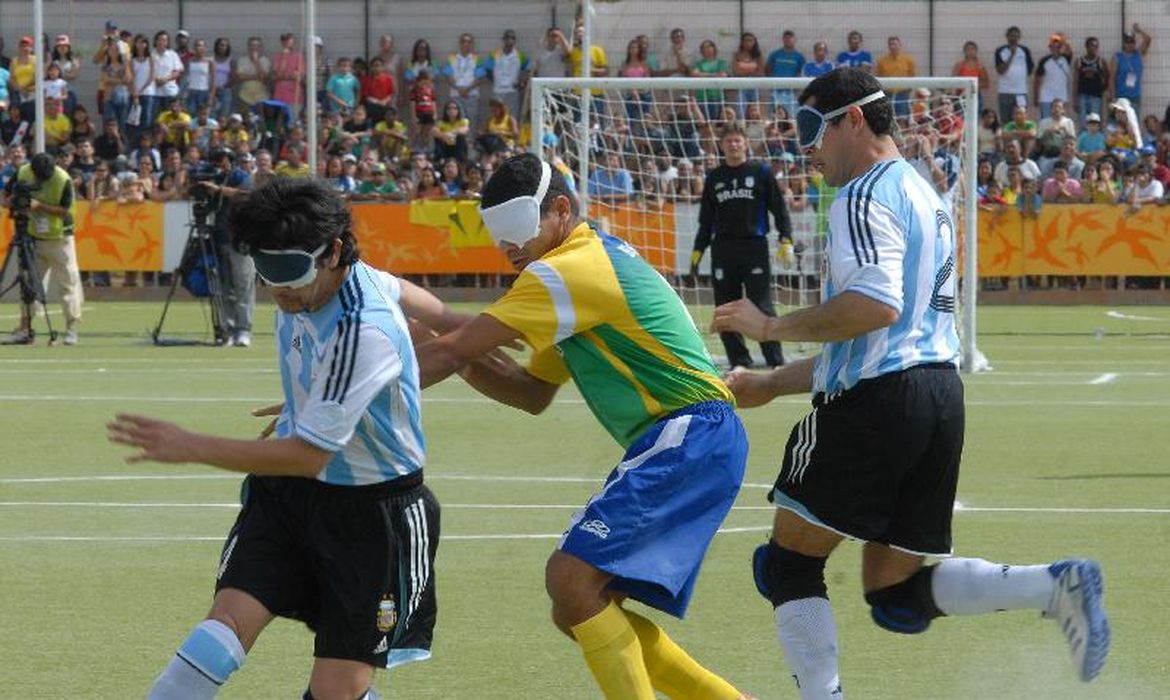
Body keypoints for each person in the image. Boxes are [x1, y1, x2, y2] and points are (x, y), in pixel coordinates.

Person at [710, 67, 1110, 699]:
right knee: (893, 591)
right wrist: (773, 380)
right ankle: (1052, 585)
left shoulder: (862, 196)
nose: (803, 145)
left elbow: (874, 308)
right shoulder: (926, 196)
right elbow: (884, 340)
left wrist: (769, 324)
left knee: (787, 563)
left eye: (812, 128)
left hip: (877, 404)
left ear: (854, 121)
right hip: (939, 400)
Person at [413, 152, 754, 700]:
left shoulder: (567, 271)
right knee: (578, 606)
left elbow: (456, 351)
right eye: (498, 236)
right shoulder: (578, 262)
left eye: (519, 231)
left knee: (571, 581)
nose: (509, 249)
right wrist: (446, 348)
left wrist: (343, 399)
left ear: (562, 211)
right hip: (691, 437)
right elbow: (531, 393)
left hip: (689, 432)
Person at [108, 177, 443, 700]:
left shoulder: (365, 326)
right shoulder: (309, 289)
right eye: (264, 268)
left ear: (334, 252)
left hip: (373, 518)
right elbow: (441, 316)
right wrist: (326, 397)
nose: (277, 285)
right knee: (217, 636)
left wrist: (191, 445)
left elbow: (310, 454)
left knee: (336, 693)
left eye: (289, 269)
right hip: (288, 497)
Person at [691, 122, 792, 369]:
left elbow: (778, 208)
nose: (733, 145)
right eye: (728, 141)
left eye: (737, 140)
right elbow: (706, 221)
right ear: (721, 146)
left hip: (754, 247)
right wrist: (697, 252)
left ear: (745, 143)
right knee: (726, 308)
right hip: (723, 250)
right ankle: (739, 360)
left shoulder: (761, 173)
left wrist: (785, 237)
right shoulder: (714, 177)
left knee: (761, 305)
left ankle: (774, 360)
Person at [4, 153, 83, 345]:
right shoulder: (23, 172)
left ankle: (71, 329)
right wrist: (12, 202)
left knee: (68, 283)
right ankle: (25, 328)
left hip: (60, 238)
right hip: (33, 237)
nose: (41, 180)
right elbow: (6, 193)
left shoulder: (63, 179)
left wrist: (39, 206)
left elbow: (65, 210)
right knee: (29, 284)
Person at [202, 147, 253, 346]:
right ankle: (227, 329)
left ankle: (244, 329)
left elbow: (245, 194)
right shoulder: (212, 176)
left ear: (229, 160)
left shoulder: (240, 176)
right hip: (219, 237)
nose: (217, 163)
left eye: (220, 159)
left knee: (243, 285)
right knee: (223, 287)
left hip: (240, 239)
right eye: (214, 159)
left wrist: (218, 190)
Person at [995, 26, 1034, 124]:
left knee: (1021, 120)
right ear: (1007, 37)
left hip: (1020, 92)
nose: (1014, 38)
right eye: (1011, 36)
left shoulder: (1025, 50)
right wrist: (1012, 55)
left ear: (1019, 37)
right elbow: (1001, 70)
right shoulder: (1000, 50)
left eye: (1016, 36)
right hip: (1005, 92)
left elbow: (1029, 69)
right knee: (1006, 120)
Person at [1111, 25, 1151, 117]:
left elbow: (1148, 39)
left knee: (1134, 124)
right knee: (1121, 124)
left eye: (1132, 42)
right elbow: (1112, 78)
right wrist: (1113, 96)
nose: (1130, 45)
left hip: (1135, 96)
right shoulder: (1117, 57)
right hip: (1121, 95)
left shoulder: (1138, 54)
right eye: (1127, 42)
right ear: (1124, 43)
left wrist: (1139, 30)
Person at [1072, 37, 1109, 129]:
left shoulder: (1101, 61)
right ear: (1086, 47)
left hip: (1096, 96)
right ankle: (1083, 142)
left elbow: (1108, 77)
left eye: (1096, 46)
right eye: (1092, 46)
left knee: (1094, 122)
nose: (1094, 48)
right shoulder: (1079, 61)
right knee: (1082, 123)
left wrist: (1104, 90)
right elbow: (1075, 80)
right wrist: (1075, 99)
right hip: (1082, 96)